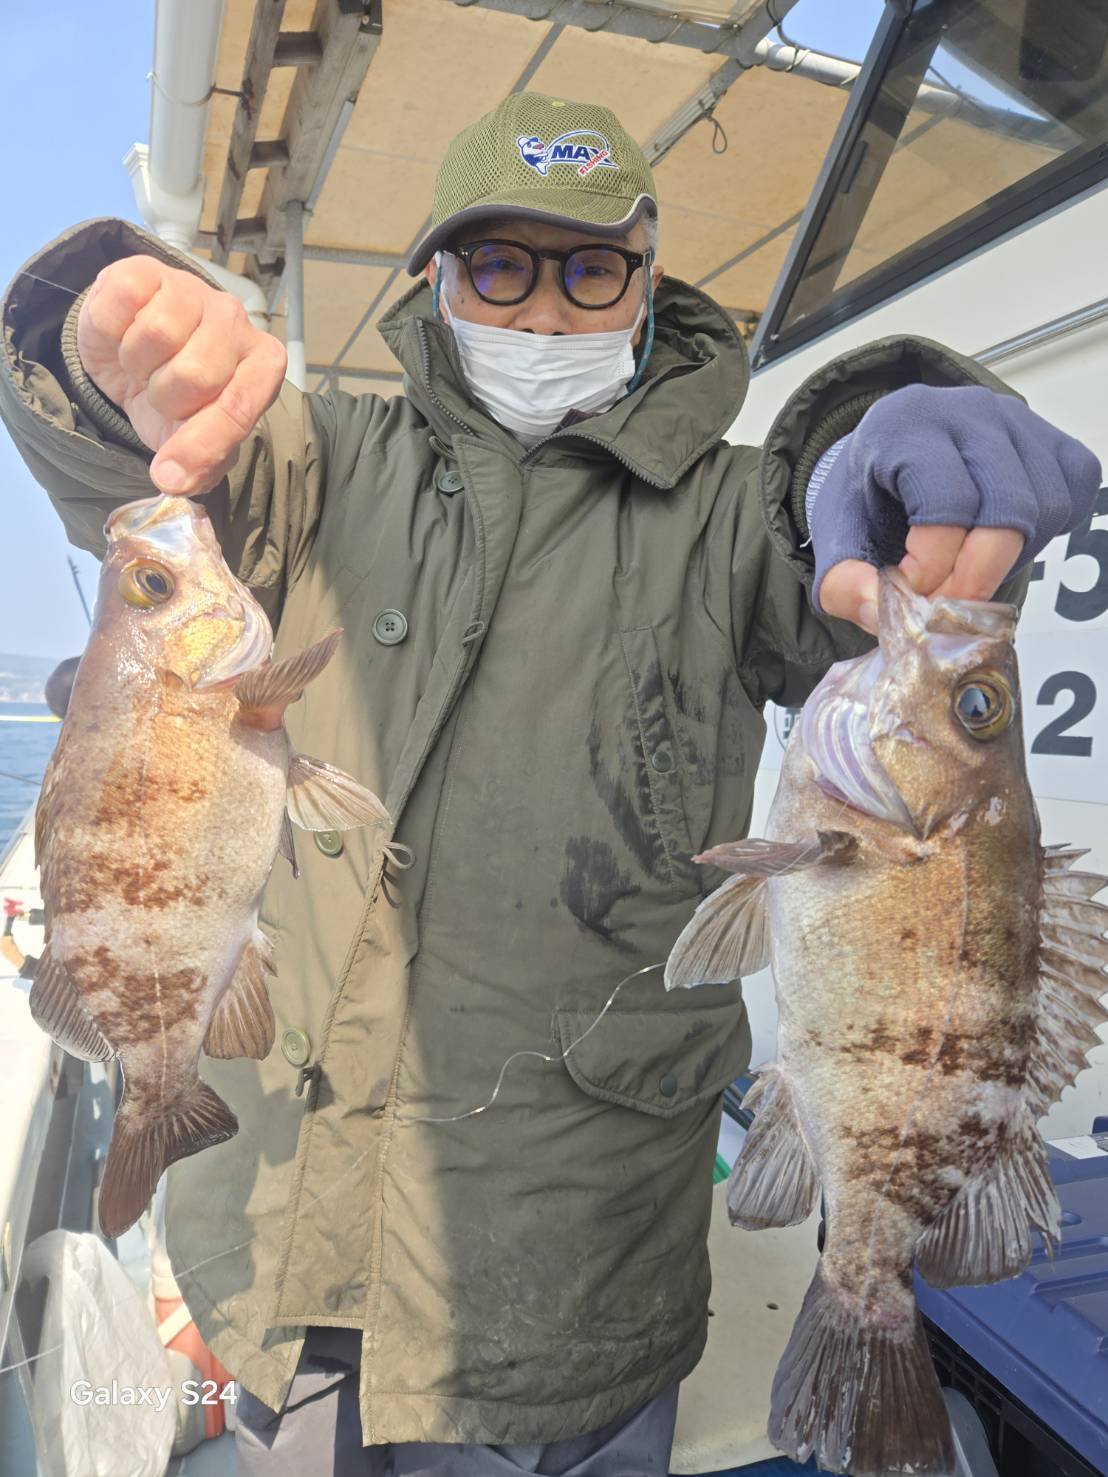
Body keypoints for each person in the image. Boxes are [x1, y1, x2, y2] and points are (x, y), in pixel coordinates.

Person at [0, 91, 1098, 1476]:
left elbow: (833, 534)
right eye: (499, 265)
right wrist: (92, 332)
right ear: (435, 280)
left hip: (576, 1287)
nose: (541, 309)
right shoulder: (313, 458)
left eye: (590, 270)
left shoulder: (734, 516)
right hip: (276, 1247)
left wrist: (890, 454)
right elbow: (132, 469)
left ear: (647, 280)